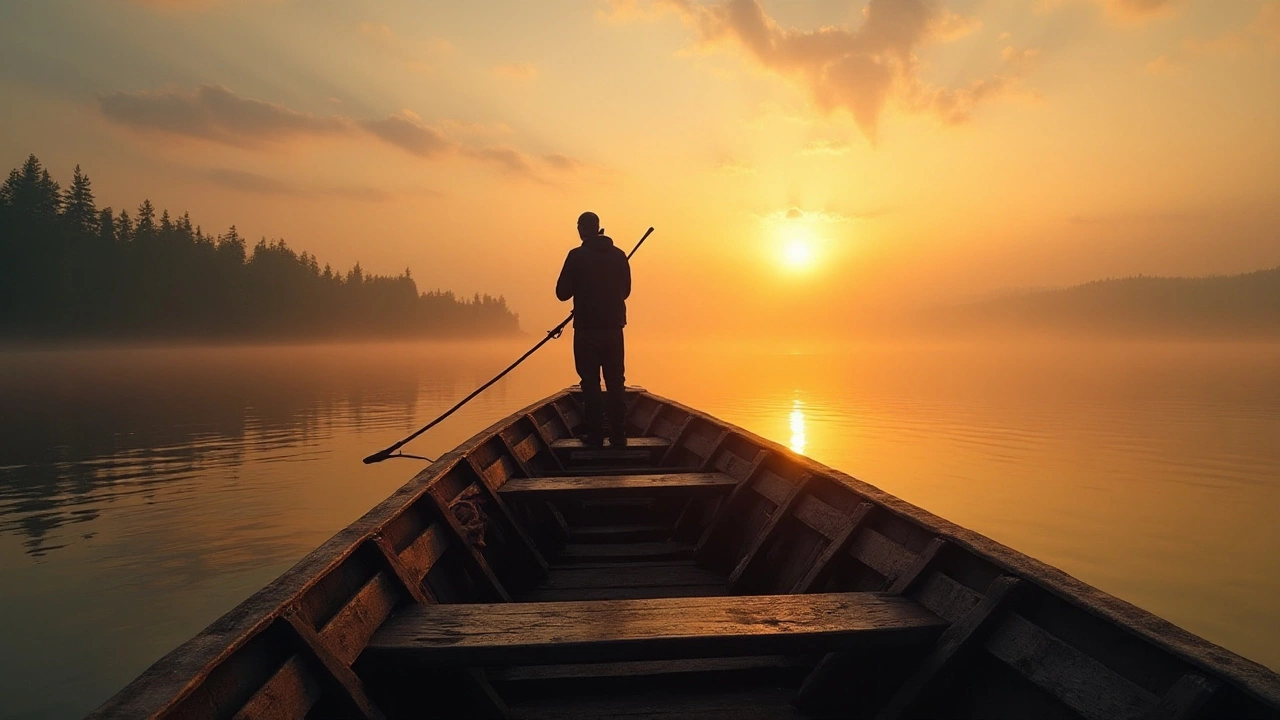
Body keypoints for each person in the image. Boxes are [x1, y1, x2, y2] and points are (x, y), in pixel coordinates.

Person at [555, 211, 631, 447]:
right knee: (616, 381)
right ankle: (619, 435)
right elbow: (626, 291)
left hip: (587, 330)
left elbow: (562, 293)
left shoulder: (576, 256)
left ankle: (596, 434)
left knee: (590, 382)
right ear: (598, 228)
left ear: (582, 229)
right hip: (614, 330)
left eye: (578, 226)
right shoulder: (619, 256)